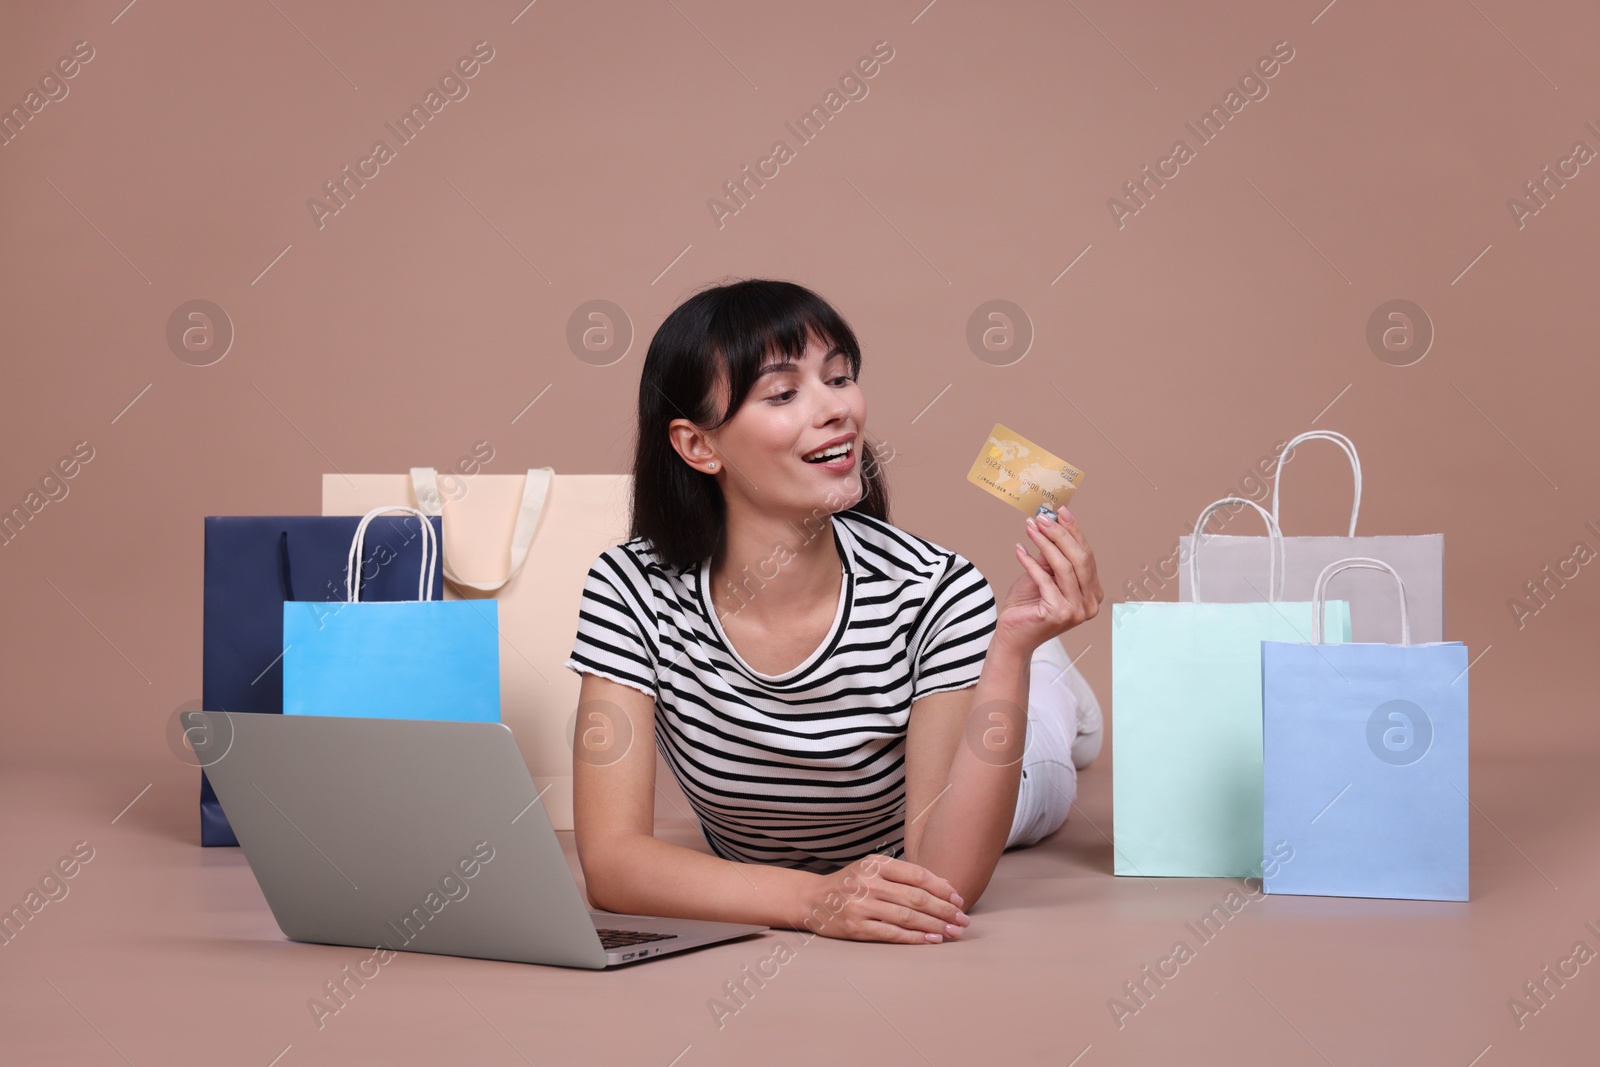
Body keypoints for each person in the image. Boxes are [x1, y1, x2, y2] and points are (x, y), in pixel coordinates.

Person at [563, 279, 1103, 945]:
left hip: (1009, 767)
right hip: (907, 733)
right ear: (698, 445)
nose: (837, 410)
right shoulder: (630, 588)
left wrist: (1013, 650)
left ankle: (1047, 678)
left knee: (1042, 726)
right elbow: (613, 865)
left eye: (840, 378)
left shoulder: (939, 589)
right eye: (785, 392)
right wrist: (813, 898)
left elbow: (942, 877)